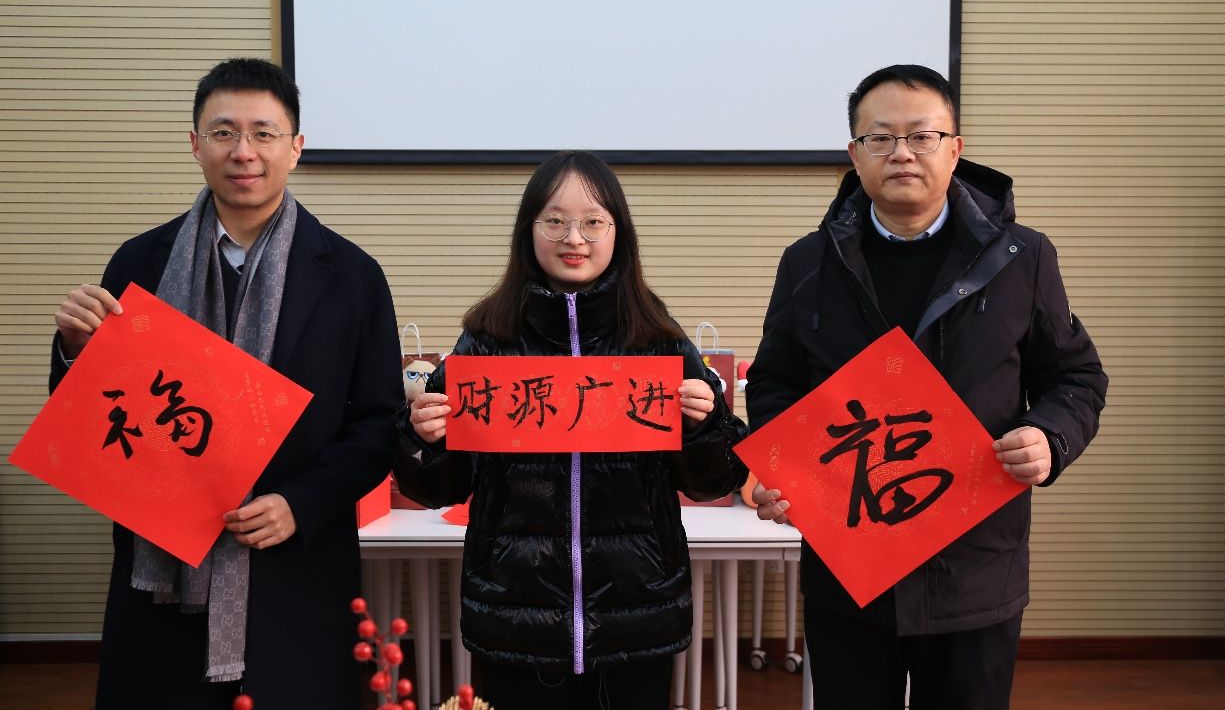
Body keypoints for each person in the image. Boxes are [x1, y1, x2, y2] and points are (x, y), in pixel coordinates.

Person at [746, 64, 1108, 709]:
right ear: (855, 154)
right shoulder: (807, 262)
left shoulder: (1023, 258)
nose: (902, 153)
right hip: (850, 567)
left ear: (956, 148)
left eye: (922, 136)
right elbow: (775, 382)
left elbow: (1075, 376)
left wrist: (1050, 437)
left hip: (974, 567)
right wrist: (785, 470)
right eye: (881, 138)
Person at [50, 58, 403, 709]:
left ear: (296, 147)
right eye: (224, 132)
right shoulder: (140, 263)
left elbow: (379, 424)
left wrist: (299, 502)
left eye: (264, 133)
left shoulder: (352, 275)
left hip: (295, 567)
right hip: (161, 572)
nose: (244, 151)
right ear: (195, 143)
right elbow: (94, 418)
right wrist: (77, 353)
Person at [393, 150, 749, 710]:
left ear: (618, 233)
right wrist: (423, 438)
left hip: (637, 614)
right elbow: (436, 488)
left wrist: (705, 427)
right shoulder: (486, 341)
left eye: (593, 222)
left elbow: (714, 481)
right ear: (528, 230)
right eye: (554, 220)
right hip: (515, 617)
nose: (574, 238)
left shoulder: (658, 339)